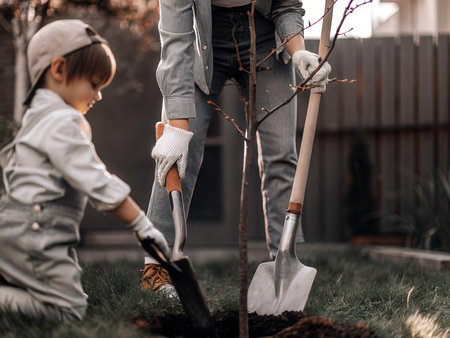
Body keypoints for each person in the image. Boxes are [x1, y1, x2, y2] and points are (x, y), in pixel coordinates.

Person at [141, 1, 331, 296]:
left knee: (281, 154)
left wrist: (298, 51)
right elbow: (176, 41)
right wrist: (177, 130)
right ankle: (158, 267)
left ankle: (287, 265)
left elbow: (286, 5)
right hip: (203, 38)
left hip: (264, 33)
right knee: (177, 155)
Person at [0, 19, 170, 322]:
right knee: (68, 312)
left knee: (46, 292)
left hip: (16, 228)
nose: (99, 95)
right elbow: (96, 180)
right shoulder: (63, 122)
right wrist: (144, 226)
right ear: (59, 70)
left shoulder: (36, 116)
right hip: (37, 234)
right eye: (94, 84)